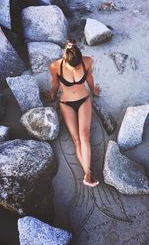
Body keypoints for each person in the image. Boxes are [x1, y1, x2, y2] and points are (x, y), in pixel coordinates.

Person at [43, 39, 101, 187]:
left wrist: (94, 91)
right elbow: (55, 85)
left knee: (84, 136)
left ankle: (87, 173)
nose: (75, 70)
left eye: (77, 67)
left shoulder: (87, 61)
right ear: (65, 56)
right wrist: (52, 96)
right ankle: (87, 173)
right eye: (72, 67)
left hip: (84, 100)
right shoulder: (55, 66)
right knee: (76, 139)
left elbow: (89, 78)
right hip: (66, 104)